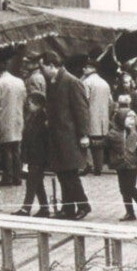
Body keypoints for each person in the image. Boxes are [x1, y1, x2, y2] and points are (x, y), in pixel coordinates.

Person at [38, 51, 93, 219]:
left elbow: (82, 110)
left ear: (52, 66)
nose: (41, 72)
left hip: (70, 137)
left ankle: (83, 205)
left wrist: (84, 135)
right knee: (62, 173)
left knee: (70, 174)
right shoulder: (53, 82)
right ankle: (68, 208)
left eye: (43, 68)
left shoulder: (72, 82)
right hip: (58, 137)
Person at [107, 95, 137, 221]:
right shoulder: (113, 133)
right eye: (129, 119)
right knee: (123, 189)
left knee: (129, 187)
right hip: (120, 164)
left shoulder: (132, 133)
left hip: (132, 164)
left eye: (133, 119)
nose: (132, 122)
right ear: (121, 119)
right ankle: (130, 213)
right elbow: (105, 143)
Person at [15, 83, 55, 218]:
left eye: (31, 103)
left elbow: (42, 139)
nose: (28, 106)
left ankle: (26, 209)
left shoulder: (42, 118)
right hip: (32, 154)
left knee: (32, 182)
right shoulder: (33, 116)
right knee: (37, 183)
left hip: (38, 155)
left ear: (38, 104)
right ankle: (45, 208)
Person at [0, 61, 26, 186]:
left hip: (4, 119)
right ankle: (17, 177)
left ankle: (7, 177)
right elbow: (24, 98)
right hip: (17, 118)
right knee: (16, 149)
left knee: (5, 150)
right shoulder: (20, 81)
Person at [82, 61, 112, 175]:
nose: (83, 70)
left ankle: (88, 165)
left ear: (90, 68)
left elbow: (84, 101)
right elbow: (110, 102)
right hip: (103, 118)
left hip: (90, 117)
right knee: (99, 144)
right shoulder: (105, 83)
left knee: (88, 142)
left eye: (85, 68)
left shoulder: (86, 82)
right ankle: (98, 168)